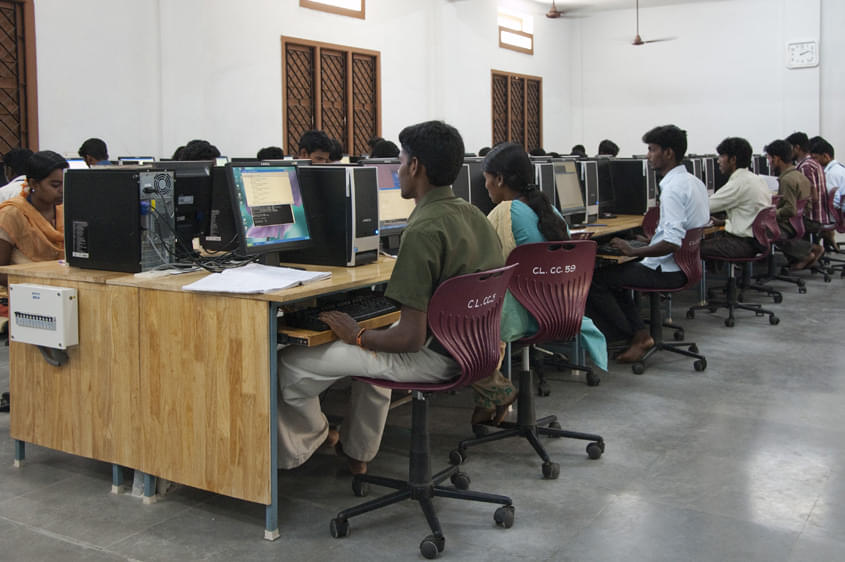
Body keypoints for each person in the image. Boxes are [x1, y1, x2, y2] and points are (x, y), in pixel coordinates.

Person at [276, 121, 504, 474]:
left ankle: (314, 437)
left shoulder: (424, 229)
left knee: (289, 363)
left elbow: (409, 339)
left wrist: (358, 334)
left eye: (399, 161)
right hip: (472, 349)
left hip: (433, 357)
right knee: (379, 341)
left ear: (415, 167)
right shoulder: (475, 215)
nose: (397, 170)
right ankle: (357, 453)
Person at [471, 142, 608, 425]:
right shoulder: (552, 212)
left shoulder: (504, 212)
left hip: (524, 318)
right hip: (561, 312)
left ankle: (494, 391)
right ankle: (492, 393)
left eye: (485, 178)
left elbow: (483, 266)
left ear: (498, 179)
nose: (484, 186)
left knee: (461, 314)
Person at [585, 125, 709, 361]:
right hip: (688, 267)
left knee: (597, 279)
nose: (648, 155)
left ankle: (633, 336)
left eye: (652, 150)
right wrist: (653, 240)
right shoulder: (695, 183)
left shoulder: (672, 189)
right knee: (616, 274)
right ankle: (638, 333)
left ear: (669, 153)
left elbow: (672, 243)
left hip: (668, 270)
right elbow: (688, 229)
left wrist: (635, 249)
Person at [0, 150, 67, 285]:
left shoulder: (66, 212)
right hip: (25, 292)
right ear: (34, 184)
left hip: (64, 289)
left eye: (64, 183)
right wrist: (39, 281)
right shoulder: (12, 214)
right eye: (55, 185)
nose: (62, 190)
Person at [700, 137, 772, 259]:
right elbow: (750, 217)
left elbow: (705, 206)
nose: (718, 161)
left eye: (722, 156)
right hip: (756, 241)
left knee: (689, 248)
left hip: (741, 244)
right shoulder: (757, 179)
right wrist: (724, 222)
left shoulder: (738, 183)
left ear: (733, 160)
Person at [764, 139, 823, 270]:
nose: (769, 162)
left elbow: (790, 210)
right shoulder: (798, 175)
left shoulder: (787, 180)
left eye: (769, 158)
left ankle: (807, 252)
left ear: (777, 158)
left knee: (759, 229)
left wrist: (770, 213)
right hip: (799, 221)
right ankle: (806, 252)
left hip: (790, 223)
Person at [786, 132, 828, 231]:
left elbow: (812, 197)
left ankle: (813, 247)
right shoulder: (813, 162)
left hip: (812, 217)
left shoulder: (805, 166)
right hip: (819, 216)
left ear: (797, 148)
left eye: (789, 148)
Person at [809, 137, 845, 250]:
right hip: (840, 214)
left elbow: (831, 202)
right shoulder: (840, 168)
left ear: (826, 156)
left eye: (815, 158)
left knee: (804, 220)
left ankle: (812, 252)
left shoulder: (830, 174)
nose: (814, 162)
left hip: (837, 216)